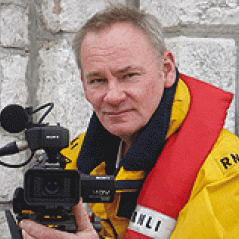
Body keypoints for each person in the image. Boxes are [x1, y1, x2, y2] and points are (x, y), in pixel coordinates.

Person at [20, 4, 239, 239]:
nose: (113, 96)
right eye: (97, 80)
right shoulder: (74, 156)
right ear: (83, 85)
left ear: (166, 70)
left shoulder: (223, 174)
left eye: (129, 76)